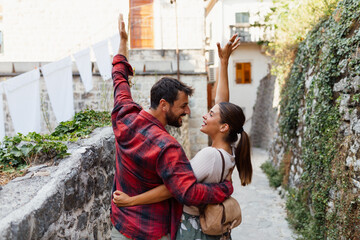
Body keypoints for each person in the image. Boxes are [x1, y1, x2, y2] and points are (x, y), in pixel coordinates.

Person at [112, 29, 253, 239]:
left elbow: (119, 78)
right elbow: (185, 191)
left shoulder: (124, 115)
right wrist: (225, 188)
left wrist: (123, 42)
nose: (189, 112)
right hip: (154, 231)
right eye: (183, 106)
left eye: (211, 113)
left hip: (121, 224)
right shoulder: (168, 147)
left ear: (224, 126)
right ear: (164, 105)